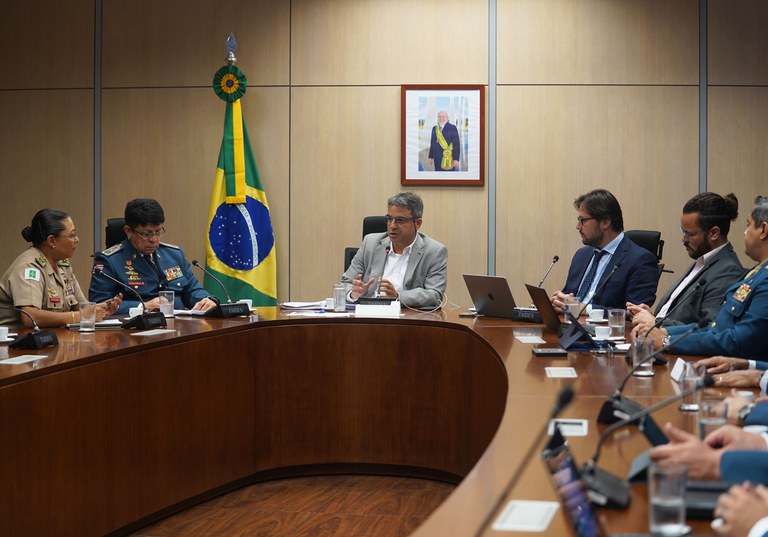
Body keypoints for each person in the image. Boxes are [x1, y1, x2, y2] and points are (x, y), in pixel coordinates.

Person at [641, 196, 768, 360]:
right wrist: (663, 332)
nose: (744, 232)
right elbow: (715, 327)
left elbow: (740, 340)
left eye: (748, 225)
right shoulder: (754, 273)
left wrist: (666, 340)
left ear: (763, 230)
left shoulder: (757, 278)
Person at [628, 192, 744, 331]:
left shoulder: (728, 271)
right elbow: (683, 316)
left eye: (690, 234)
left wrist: (657, 322)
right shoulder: (703, 260)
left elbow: (709, 328)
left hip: (676, 349)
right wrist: (649, 315)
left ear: (714, 233)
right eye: (683, 231)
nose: (683, 239)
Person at [89, 198, 218, 315]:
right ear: (128, 231)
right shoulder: (110, 261)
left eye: (158, 231)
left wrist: (206, 300)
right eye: (146, 234)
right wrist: (142, 306)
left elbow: (193, 290)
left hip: (179, 327)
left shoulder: (174, 255)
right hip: (135, 332)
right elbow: (98, 305)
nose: (154, 239)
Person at [0, 209, 121, 327]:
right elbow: (30, 317)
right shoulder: (29, 268)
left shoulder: (62, 265)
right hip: (18, 342)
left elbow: (81, 306)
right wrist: (79, 316)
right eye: (72, 235)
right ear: (52, 240)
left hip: (52, 338)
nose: (77, 240)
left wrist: (99, 310)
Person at [550, 189, 659, 313]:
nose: (578, 226)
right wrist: (560, 302)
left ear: (605, 222)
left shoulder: (641, 260)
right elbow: (569, 297)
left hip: (604, 331)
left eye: (582, 220)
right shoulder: (582, 255)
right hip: (569, 328)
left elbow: (634, 313)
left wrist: (585, 309)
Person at [340, 191, 447, 310]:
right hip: (368, 316)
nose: (392, 226)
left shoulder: (434, 251)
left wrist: (398, 296)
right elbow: (345, 283)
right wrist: (353, 293)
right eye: (389, 219)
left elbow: (435, 294)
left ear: (417, 223)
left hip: (407, 318)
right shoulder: (370, 243)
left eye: (400, 220)